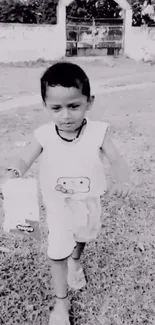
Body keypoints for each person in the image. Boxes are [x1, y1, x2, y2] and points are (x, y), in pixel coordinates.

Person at [0, 61, 132, 325]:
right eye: (56, 108)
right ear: (45, 106)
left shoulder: (98, 132)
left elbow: (117, 159)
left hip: (89, 199)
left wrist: (124, 181)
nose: (66, 116)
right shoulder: (44, 134)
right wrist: (14, 172)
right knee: (56, 249)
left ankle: (76, 259)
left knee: (84, 233)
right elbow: (24, 159)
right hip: (58, 203)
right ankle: (61, 305)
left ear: (89, 102)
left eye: (74, 106)